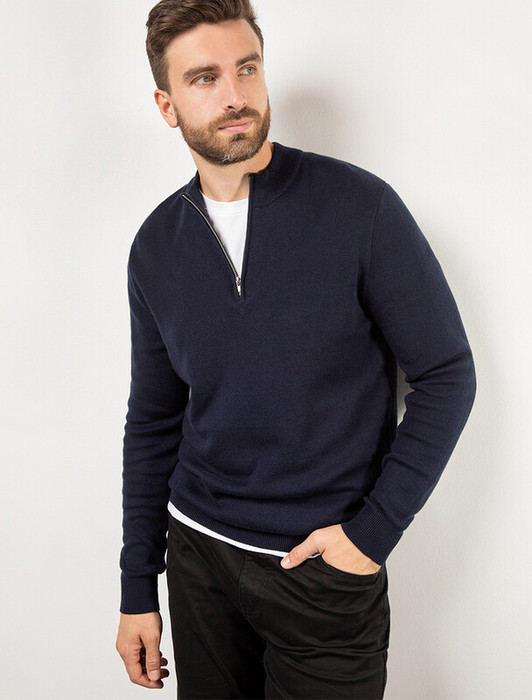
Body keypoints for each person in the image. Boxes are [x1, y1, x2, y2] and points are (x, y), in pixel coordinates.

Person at [115, 1, 476, 698]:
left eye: (247, 69)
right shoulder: (155, 247)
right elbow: (154, 420)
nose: (234, 95)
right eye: (204, 78)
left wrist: (371, 536)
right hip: (197, 560)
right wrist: (137, 587)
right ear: (166, 105)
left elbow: (447, 375)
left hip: (320, 572)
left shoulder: (360, 208)